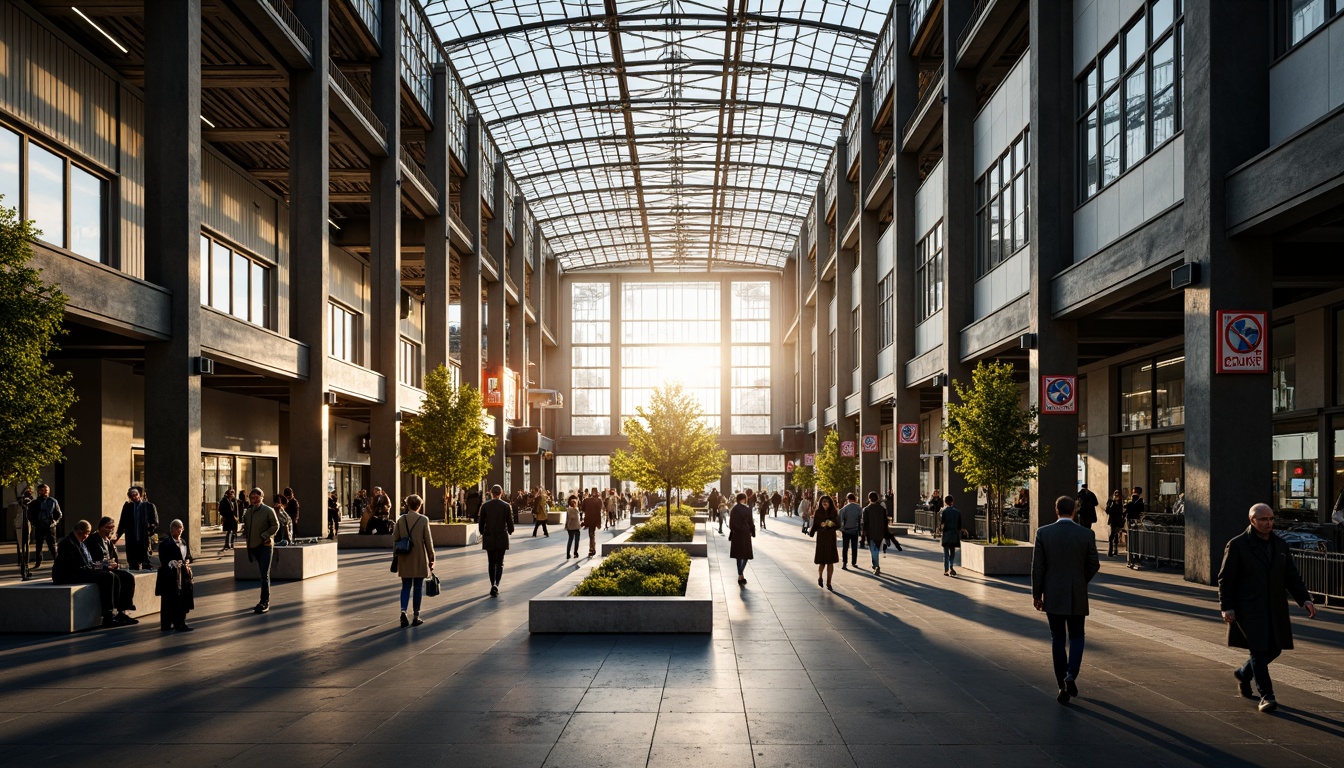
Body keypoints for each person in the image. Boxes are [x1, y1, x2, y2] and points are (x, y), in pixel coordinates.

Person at [1218, 503, 1317, 714]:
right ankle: (1266, 695)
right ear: (1252, 521)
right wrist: (1227, 607)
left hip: (1275, 606)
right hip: (1248, 608)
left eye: (1271, 519)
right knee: (1259, 650)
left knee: (1275, 648)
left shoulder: (1280, 545)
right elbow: (1226, 579)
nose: (1268, 523)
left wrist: (1304, 599)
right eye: (1263, 519)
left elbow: (1291, 576)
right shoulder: (1238, 545)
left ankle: (1244, 673)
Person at [1031, 496, 1101, 705]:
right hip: (1077, 593)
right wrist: (1080, 581)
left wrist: (1037, 594)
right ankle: (1071, 674)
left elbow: (1038, 567)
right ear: (1074, 511)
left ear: (1056, 510)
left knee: (1058, 638)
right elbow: (1094, 564)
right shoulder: (1086, 534)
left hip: (1053, 593)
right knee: (1078, 635)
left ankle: (1062, 684)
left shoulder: (1043, 533)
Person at [52, 520, 130, 628]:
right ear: (82, 532)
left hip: (82, 570)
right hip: (69, 575)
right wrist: (100, 566)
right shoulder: (67, 544)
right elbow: (75, 567)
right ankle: (108, 614)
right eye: (87, 533)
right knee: (108, 577)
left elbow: (89, 563)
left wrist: (104, 565)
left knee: (119, 576)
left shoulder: (81, 542)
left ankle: (119, 611)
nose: (87, 536)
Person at [84, 516, 139, 624]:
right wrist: (105, 565)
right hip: (97, 570)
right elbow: (91, 562)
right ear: (100, 528)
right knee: (111, 577)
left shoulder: (108, 542)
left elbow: (113, 559)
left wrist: (114, 564)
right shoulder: (92, 541)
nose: (111, 530)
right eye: (108, 527)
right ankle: (109, 613)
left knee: (128, 577)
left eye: (112, 527)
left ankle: (124, 610)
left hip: (107, 568)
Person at [393, 494, 435, 627]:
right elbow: (428, 541)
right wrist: (431, 558)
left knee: (405, 586)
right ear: (419, 506)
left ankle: (403, 611)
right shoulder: (423, 520)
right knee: (417, 587)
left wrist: (395, 556)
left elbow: (395, 538)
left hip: (404, 557)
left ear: (407, 505)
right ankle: (416, 615)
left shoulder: (401, 520)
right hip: (419, 557)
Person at [242, 488, 279, 614]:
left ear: (262, 497)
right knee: (262, 573)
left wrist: (264, 536)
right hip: (253, 546)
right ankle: (264, 600)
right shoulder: (248, 512)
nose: (253, 500)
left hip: (265, 546)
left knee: (264, 575)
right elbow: (246, 526)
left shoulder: (268, 510)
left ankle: (264, 601)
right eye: (251, 498)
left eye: (256, 497)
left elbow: (276, 525)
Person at [156, 519, 194, 632]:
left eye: (181, 527)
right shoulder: (165, 544)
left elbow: (188, 556)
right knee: (169, 599)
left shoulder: (183, 542)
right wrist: (172, 562)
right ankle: (167, 624)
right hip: (170, 577)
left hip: (183, 575)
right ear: (172, 529)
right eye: (178, 527)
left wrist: (187, 562)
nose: (180, 530)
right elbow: (164, 559)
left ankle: (180, 622)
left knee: (182, 598)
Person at [478, 485, 514, 597]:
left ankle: (492, 583)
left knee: (491, 562)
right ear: (501, 493)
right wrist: (510, 530)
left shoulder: (485, 506)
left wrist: (482, 532)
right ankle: (496, 584)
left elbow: (481, 523)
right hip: (501, 537)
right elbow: (510, 522)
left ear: (491, 493)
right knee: (500, 562)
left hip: (489, 537)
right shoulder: (506, 506)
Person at [115, 485, 157, 571]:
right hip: (131, 539)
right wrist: (116, 536)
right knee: (133, 564)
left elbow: (155, 522)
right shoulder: (127, 507)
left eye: (136, 494)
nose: (134, 496)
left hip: (144, 538)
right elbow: (122, 523)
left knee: (146, 563)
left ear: (140, 494)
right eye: (132, 495)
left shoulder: (149, 506)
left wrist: (150, 528)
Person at [27, 483, 63, 570]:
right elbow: (29, 515)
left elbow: (59, 514)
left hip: (50, 527)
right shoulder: (34, 503)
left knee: (53, 546)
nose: (45, 492)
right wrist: (35, 523)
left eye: (47, 490)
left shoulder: (53, 501)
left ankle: (57, 562)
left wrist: (54, 522)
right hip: (39, 526)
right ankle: (38, 562)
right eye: (43, 490)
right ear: (39, 491)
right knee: (38, 545)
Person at [809, 494, 840, 590]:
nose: (825, 504)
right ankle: (820, 577)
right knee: (822, 561)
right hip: (822, 537)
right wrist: (812, 532)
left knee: (830, 561)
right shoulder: (818, 512)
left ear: (830, 503)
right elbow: (815, 525)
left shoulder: (834, 512)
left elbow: (838, 525)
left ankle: (829, 582)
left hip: (830, 537)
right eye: (823, 502)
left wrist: (829, 523)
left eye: (826, 502)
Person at [728, 493, 755, 584]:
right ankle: (741, 574)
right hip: (745, 533)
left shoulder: (734, 509)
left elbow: (731, 523)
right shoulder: (747, 509)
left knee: (738, 555)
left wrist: (732, 531)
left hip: (736, 534)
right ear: (744, 499)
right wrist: (753, 532)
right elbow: (751, 522)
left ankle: (740, 574)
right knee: (746, 555)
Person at [937, 495, 968, 576]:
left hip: (946, 533)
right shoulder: (957, 512)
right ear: (952, 502)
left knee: (946, 552)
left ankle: (946, 569)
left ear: (945, 502)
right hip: (954, 534)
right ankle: (951, 566)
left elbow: (941, 523)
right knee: (952, 552)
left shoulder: (944, 511)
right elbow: (959, 526)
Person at [861, 492, 890, 575]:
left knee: (873, 550)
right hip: (880, 532)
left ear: (869, 498)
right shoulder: (882, 509)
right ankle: (875, 565)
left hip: (871, 532)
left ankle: (876, 565)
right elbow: (885, 522)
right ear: (877, 499)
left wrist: (863, 533)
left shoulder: (866, 509)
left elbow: (864, 522)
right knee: (876, 548)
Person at [838, 492, 862, 570]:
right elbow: (861, 520)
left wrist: (841, 529)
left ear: (847, 499)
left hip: (846, 530)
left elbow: (840, 520)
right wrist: (860, 530)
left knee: (845, 547)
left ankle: (845, 563)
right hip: (855, 530)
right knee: (854, 547)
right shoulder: (859, 508)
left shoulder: (844, 509)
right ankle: (854, 562)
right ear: (854, 499)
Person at [1124, 487, 1145, 569]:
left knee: (1132, 542)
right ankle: (1134, 558)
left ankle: (1132, 559)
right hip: (1134, 522)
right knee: (1134, 541)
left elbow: (1126, 507)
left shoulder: (1135, 502)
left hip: (1133, 523)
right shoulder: (1138, 502)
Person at [581, 488, 603, 557]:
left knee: (591, 534)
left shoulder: (587, 500)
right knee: (592, 534)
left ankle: (592, 548)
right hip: (595, 519)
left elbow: (582, 509)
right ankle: (592, 547)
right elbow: (600, 509)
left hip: (589, 519)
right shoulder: (599, 500)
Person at [1104, 490, 1125, 557]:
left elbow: (1121, 511)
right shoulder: (1111, 501)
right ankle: (1110, 550)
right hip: (1113, 520)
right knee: (1112, 535)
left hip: (1118, 520)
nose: (1117, 496)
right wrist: (1112, 503)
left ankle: (1115, 550)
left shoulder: (1120, 501)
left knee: (1116, 535)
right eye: (1116, 494)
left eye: (1118, 495)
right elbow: (1107, 511)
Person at [564, 495, 582, 560]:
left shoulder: (568, 509)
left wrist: (566, 526)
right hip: (576, 527)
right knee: (576, 541)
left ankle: (568, 554)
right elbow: (575, 518)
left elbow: (567, 519)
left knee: (570, 540)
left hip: (570, 528)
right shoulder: (575, 510)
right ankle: (575, 553)